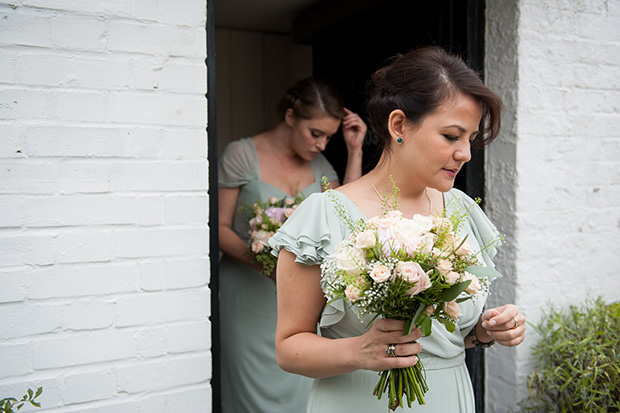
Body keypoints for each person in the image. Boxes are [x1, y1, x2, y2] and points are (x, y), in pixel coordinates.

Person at [268, 46, 526, 412]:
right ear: (399, 125)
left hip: (448, 398)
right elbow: (288, 347)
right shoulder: (323, 216)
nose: (466, 153)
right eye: (452, 136)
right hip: (357, 400)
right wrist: (358, 350)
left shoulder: (462, 211)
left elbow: (445, 336)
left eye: (470, 138)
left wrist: (485, 331)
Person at [218, 76, 367, 412]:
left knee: (301, 379)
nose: (322, 145)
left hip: (300, 297)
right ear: (289, 117)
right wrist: (265, 263)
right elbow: (221, 227)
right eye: (316, 134)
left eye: (329, 137)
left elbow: (347, 212)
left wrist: (355, 149)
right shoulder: (242, 154)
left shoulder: (320, 165)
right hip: (248, 294)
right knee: (248, 384)